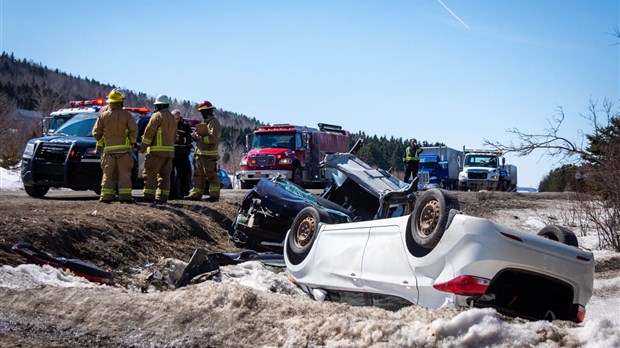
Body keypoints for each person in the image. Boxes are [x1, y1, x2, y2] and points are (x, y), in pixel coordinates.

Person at [92, 89, 138, 203]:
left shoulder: (103, 115)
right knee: (124, 175)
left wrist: (103, 140)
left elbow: (96, 133)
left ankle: (106, 197)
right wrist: (131, 142)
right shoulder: (127, 115)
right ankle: (125, 197)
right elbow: (134, 131)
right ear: (121, 102)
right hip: (124, 152)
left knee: (108, 175)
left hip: (108, 152)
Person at [139, 94, 178, 203]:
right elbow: (175, 136)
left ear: (159, 106)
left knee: (150, 174)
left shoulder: (157, 116)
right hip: (169, 154)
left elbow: (148, 134)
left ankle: (148, 196)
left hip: (156, 153)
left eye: (156, 105)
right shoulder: (172, 117)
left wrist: (142, 148)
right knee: (165, 176)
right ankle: (162, 197)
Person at [186, 100, 221, 202]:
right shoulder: (205, 123)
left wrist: (199, 138)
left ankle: (214, 196)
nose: (202, 114)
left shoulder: (214, 123)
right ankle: (196, 194)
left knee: (211, 175)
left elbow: (212, 139)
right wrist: (194, 136)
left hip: (209, 155)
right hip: (200, 154)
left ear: (207, 112)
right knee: (198, 175)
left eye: (203, 112)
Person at [169, 109, 193, 199]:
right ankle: (171, 193)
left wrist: (180, 139)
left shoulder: (185, 125)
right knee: (169, 174)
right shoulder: (169, 123)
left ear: (179, 118)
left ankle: (184, 193)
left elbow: (189, 138)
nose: (175, 121)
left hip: (181, 153)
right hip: (171, 152)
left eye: (176, 119)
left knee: (183, 174)